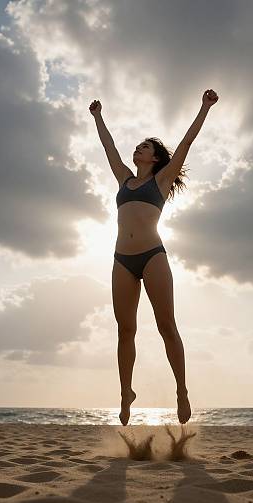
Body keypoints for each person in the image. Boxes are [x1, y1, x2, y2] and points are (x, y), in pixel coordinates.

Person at [89, 89, 219, 425]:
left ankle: (182, 391)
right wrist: (97, 117)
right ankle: (125, 393)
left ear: (156, 158)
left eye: (145, 147)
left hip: (152, 255)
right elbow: (109, 147)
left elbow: (187, 144)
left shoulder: (161, 180)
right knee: (125, 330)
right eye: (138, 146)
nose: (138, 149)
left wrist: (203, 107)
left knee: (166, 326)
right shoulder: (124, 179)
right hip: (121, 259)